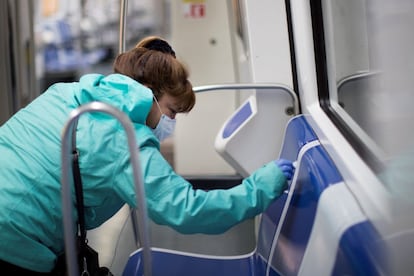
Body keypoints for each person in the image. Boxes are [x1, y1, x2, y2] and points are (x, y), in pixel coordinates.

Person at [0, 36, 295, 274]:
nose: (171, 124)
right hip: (14, 238)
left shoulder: (67, 93)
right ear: (149, 92)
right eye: (172, 111)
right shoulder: (124, 139)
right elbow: (188, 209)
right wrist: (260, 187)